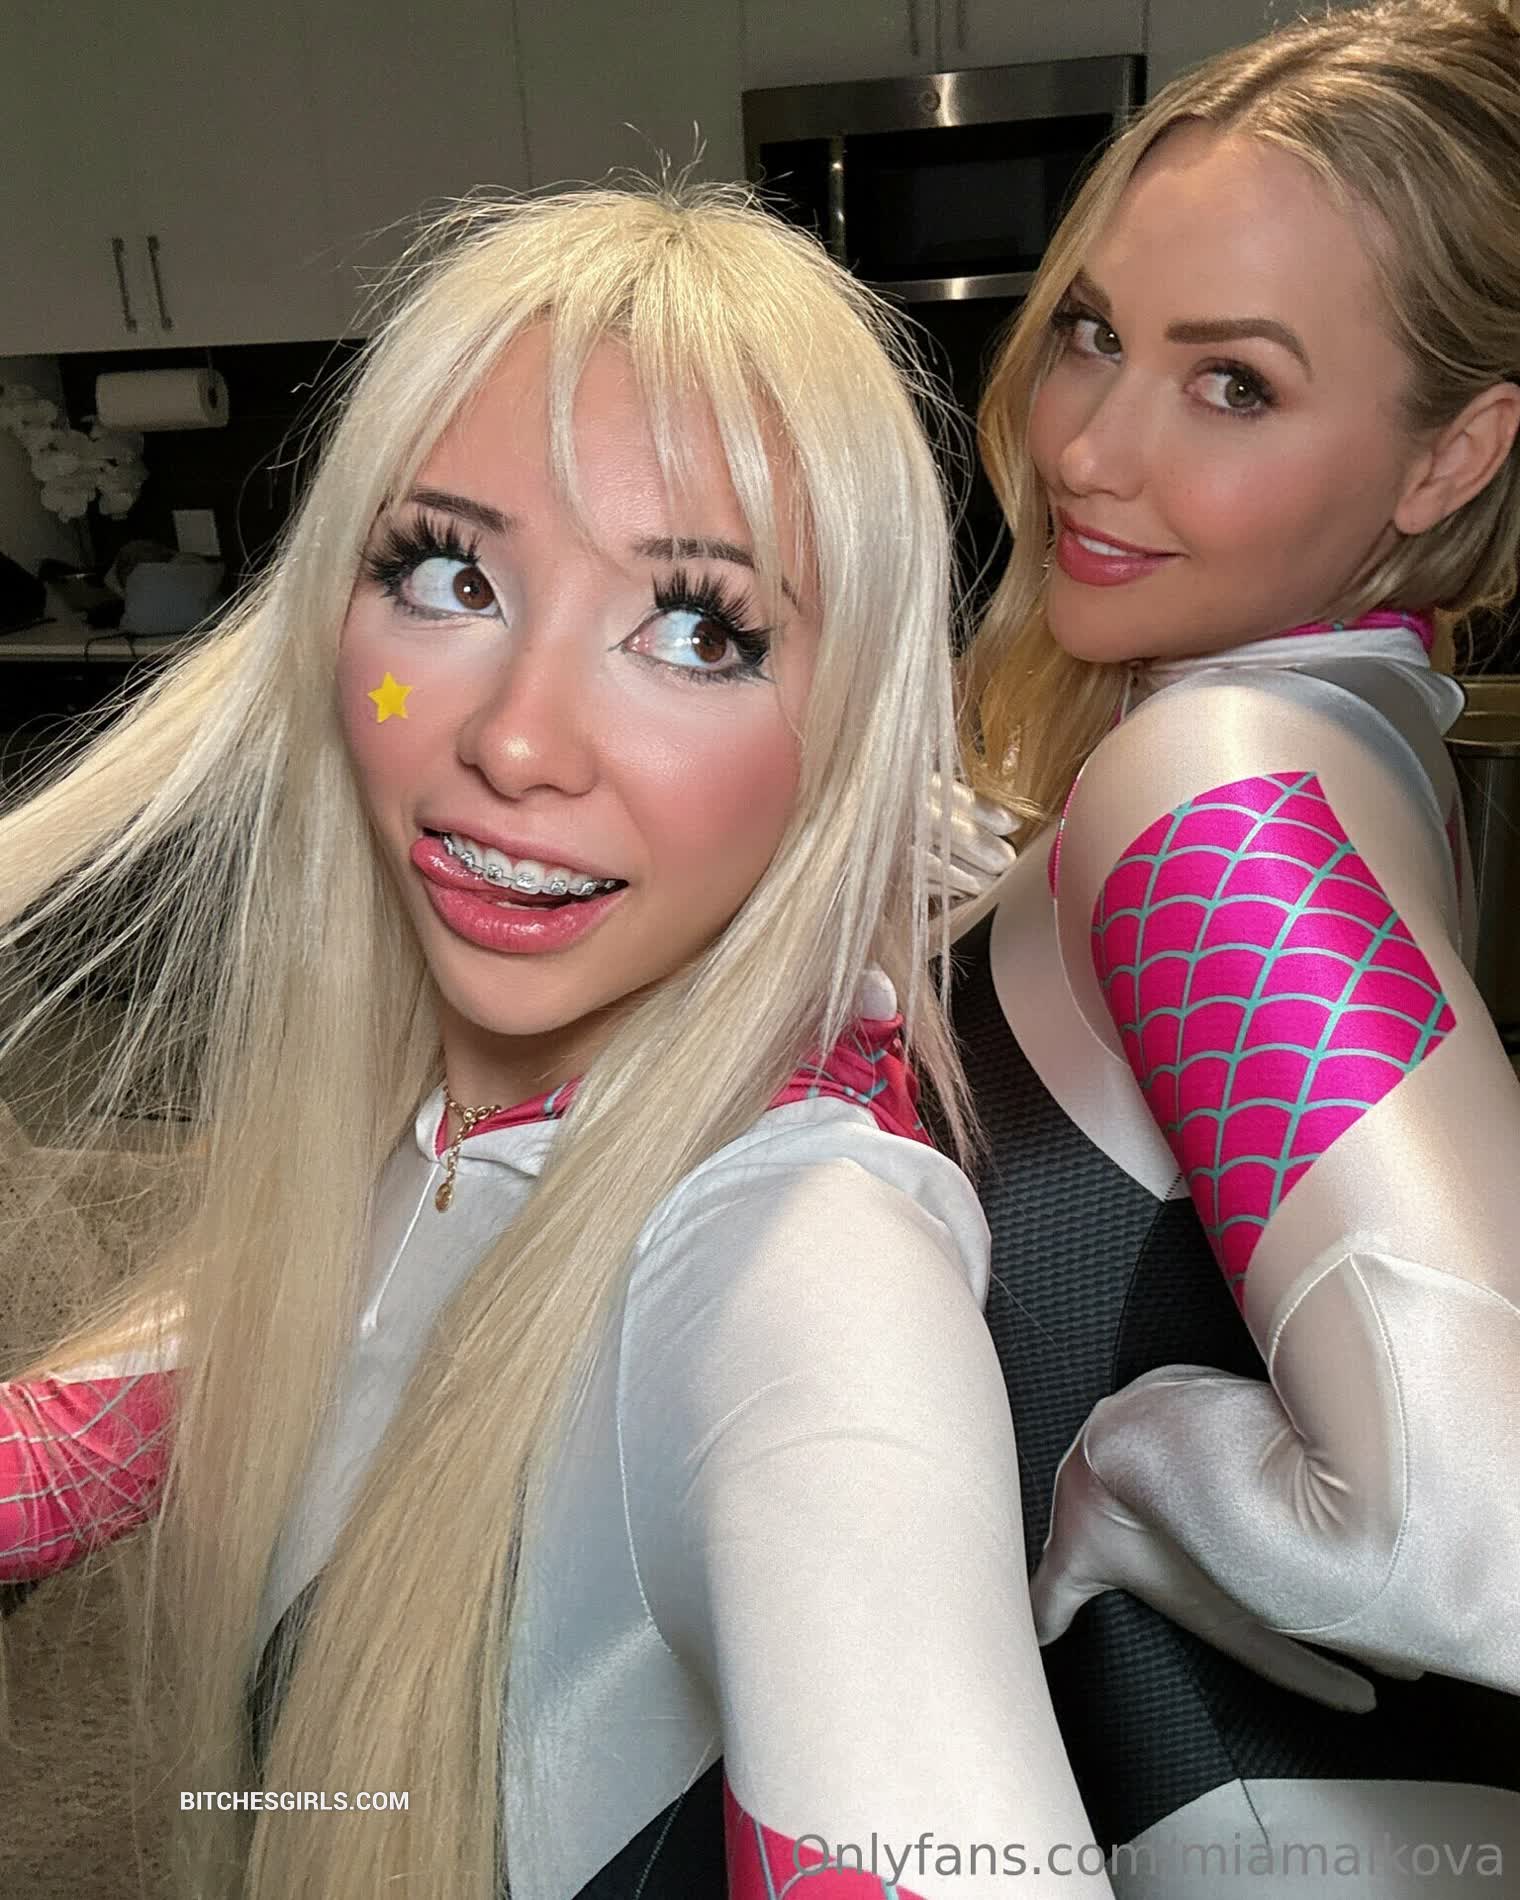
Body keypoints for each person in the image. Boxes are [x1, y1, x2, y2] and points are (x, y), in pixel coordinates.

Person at [0, 186, 1112, 1900]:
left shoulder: (804, 1276)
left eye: (699, 630)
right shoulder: (437, 1130)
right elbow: (222, 1376)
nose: (517, 741)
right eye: (448, 575)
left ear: (846, 739)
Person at [942, 2, 1520, 1892]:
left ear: (1451, 456)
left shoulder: (1219, 767)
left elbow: (1477, 1536)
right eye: (1094, 334)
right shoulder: (1349, 731)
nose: (1088, 449)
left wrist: (1130, 1461)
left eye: (1236, 386)